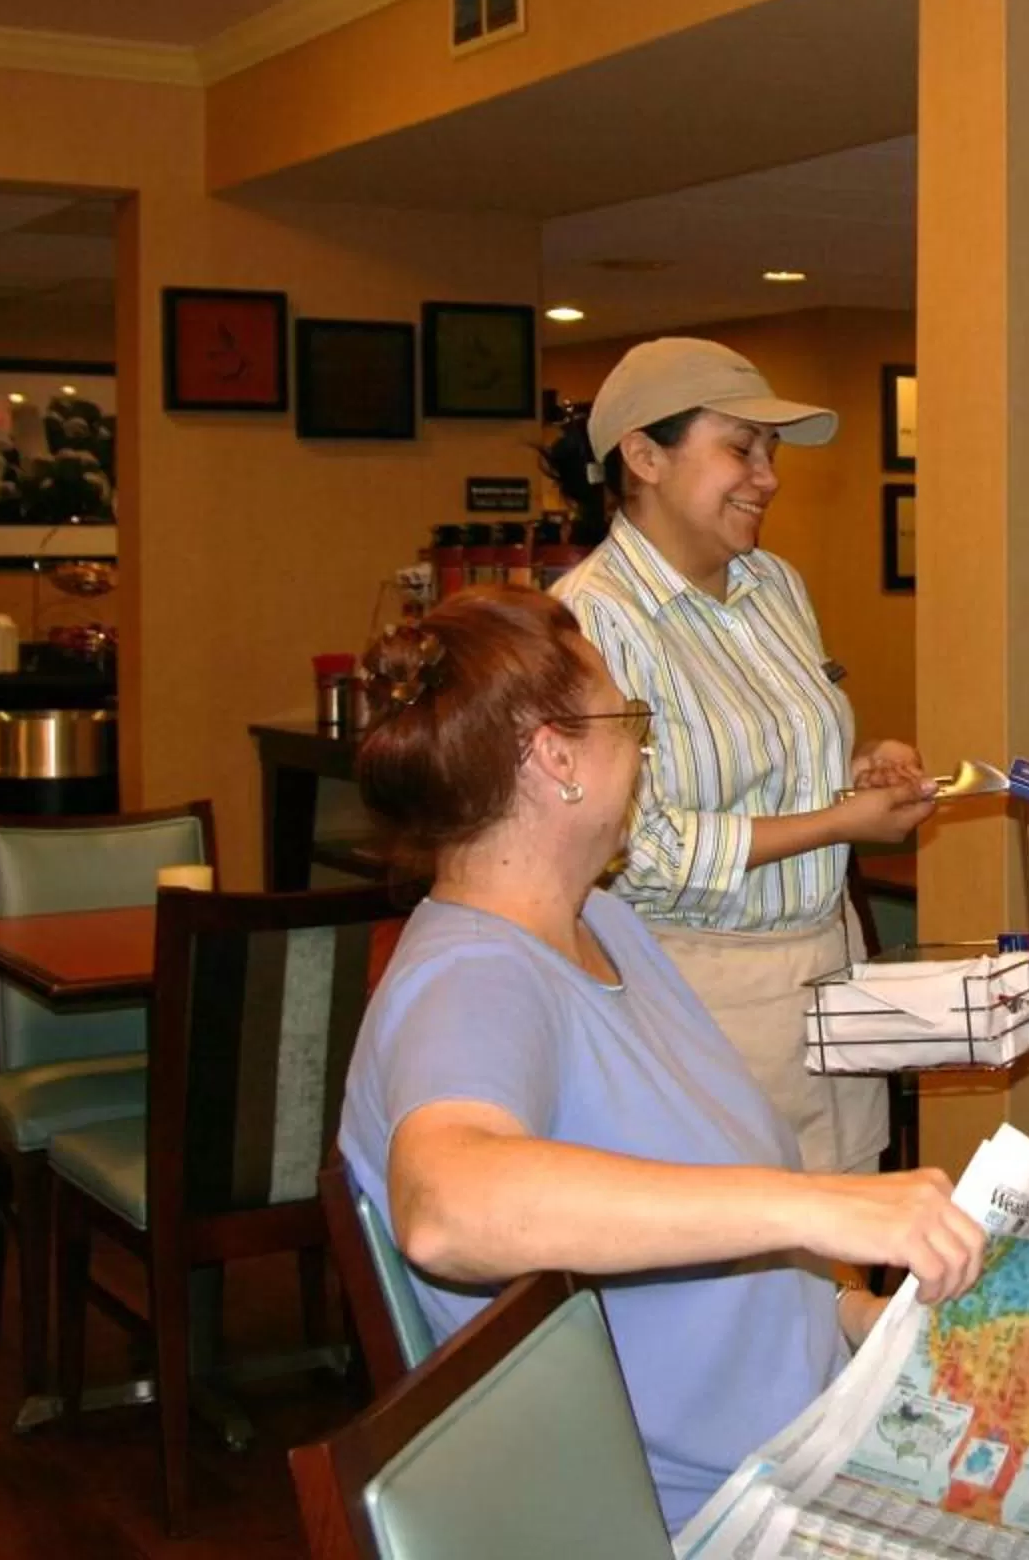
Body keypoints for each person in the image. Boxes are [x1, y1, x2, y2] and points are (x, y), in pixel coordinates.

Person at [336, 587, 987, 1534]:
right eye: (630, 720)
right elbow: (446, 1206)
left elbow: (720, 1207)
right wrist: (823, 1203)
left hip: (813, 1430)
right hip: (710, 1514)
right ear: (556, 758)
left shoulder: (603, 925)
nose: (645, 749)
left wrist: (852, 1316)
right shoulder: (472, 980)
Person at [556, 337, 935, 1174]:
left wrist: (856, 769)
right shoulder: (592, 619)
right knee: (742, 1243)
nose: (768, 476)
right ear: (644, 457)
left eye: (771, 451)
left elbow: (762, 765)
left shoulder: (776, 586)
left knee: (846, 1231)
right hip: (696, 992)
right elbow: (637, 850)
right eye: (741, 448)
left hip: (828, 976)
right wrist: (838, 823)